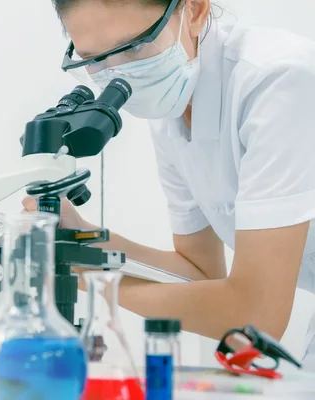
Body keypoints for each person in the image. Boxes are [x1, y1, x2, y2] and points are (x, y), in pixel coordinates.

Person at [23, 0, 315, 368]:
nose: (119, 76)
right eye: (95, 60)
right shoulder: (171, 106)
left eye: (132, 47)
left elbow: (256, 312)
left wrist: (92, 277)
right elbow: (200, 272)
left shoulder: (277, 78)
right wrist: (83, 239)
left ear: (193, 11)